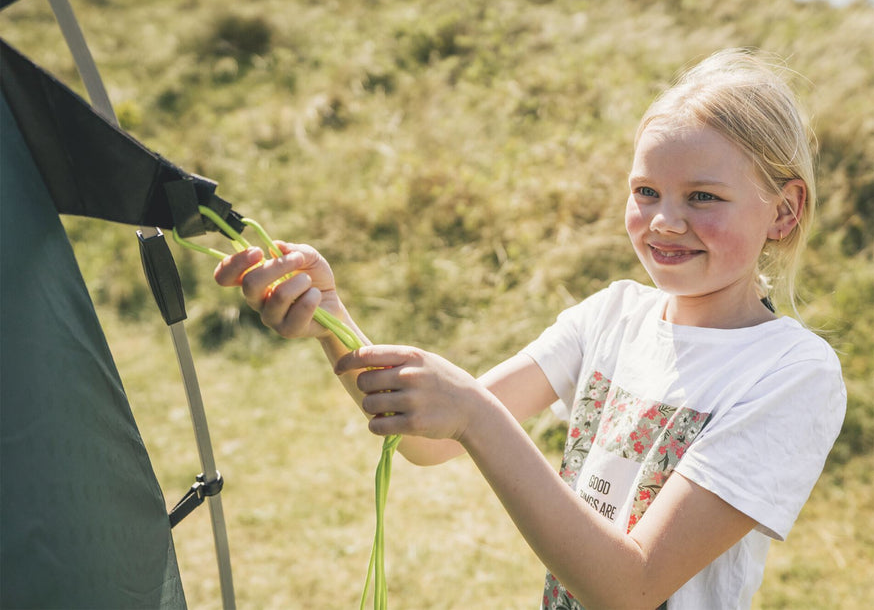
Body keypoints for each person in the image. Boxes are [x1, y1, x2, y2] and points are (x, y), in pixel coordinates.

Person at [214, 48, 846, 610]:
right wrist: (331, 314)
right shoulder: (610, 316)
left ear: (784, 211)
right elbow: (429, 442)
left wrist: (476, 416)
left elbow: (632, 588)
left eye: (703, 197)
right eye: (646, 191)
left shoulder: (791, 373)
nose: (664, 222)